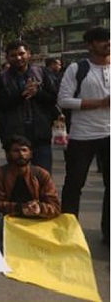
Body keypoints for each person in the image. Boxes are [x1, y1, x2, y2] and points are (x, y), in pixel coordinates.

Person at [58, 26, 110, 244]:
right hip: (82, 136)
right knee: (73, 185)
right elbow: (63, 100)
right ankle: (68, 233)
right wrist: (99, 103)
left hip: (109, 134)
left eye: (108, 39)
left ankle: (108, 233)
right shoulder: (77, 69)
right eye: (101, 40)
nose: (107, 43)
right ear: (90, 45)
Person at [0, 41, 58, 172]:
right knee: (16, 177)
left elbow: (53, 99)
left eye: (21, 54)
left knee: (42, 175)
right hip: (14, 136)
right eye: (13, 55)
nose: (18, 58)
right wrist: (22, 95)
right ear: (7, 58)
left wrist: (37, 93)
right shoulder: (0, 79)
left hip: (40, 135)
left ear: (29, 54)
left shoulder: (42, 73)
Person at [0, 135, 61, 243]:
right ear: (8, 154)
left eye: (24, 150)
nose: (21, 154)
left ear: (30, 153)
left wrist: (39, 209)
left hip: (37, 219)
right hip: (8, 219)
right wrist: (20, 208)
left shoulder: (41, 174)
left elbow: (55, 207)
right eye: (16, 151)